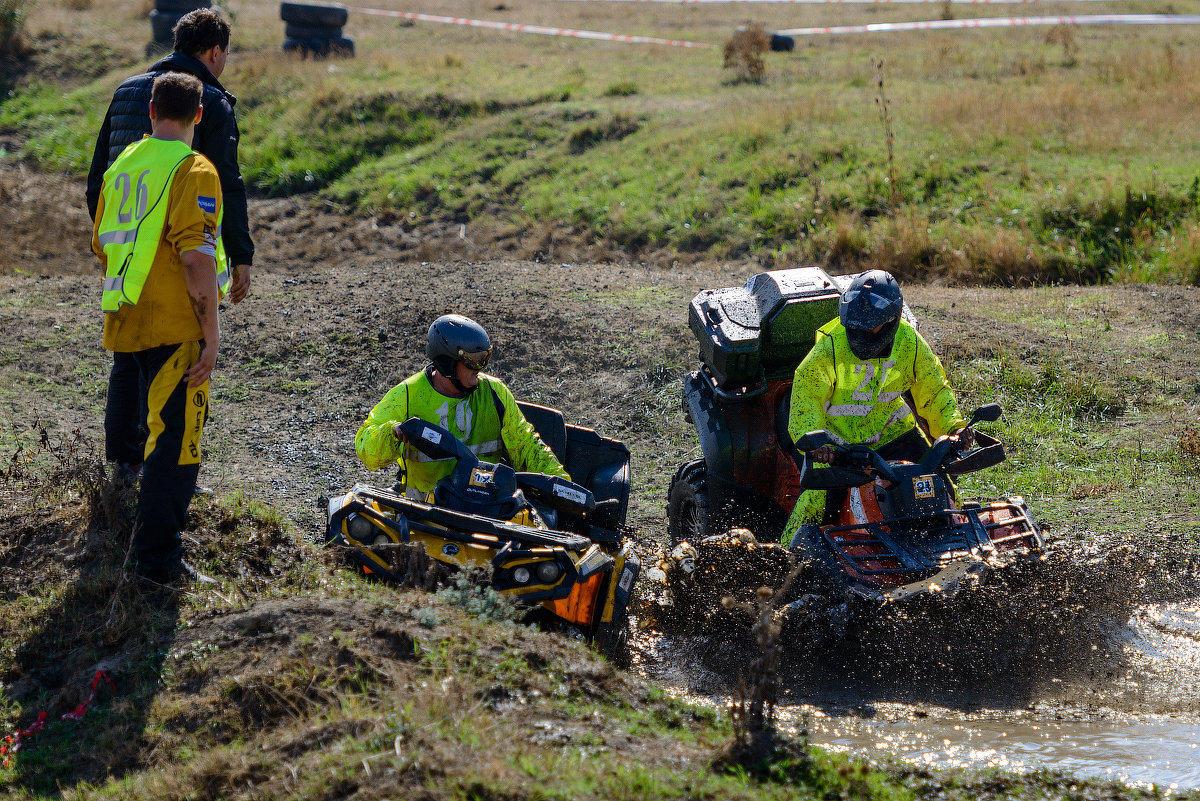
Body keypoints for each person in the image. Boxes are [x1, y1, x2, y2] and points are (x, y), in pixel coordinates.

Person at [86, 8, 251, 477]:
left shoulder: (125, 90)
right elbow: (227, 185)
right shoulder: (210, 102)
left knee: (127, 360)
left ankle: (123, 465)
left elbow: (98, 177)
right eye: (224, 57)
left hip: (122, 257)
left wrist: (110, 246)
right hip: (178, 255)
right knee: (175, 364)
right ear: (214, 51)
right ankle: (167, 471)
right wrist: (241, 255)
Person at [93, 72, 222, 585]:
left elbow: (102, 243)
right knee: (176, 445)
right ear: (199, 115)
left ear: (149, 111)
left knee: (139, 435)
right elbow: (196, 259)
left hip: (125, 314)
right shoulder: (193, 168)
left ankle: (122, 507)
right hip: (174, 326)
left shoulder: (122, 165)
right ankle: (158, 563)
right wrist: (211, 333)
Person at [782, 270, 971, 547]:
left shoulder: (910, 343)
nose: (858, 335)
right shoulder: (828, 350)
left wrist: (954, 429)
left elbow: (934, 392)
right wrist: (815, 442)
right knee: (816, 500)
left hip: (894, 433)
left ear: (891, 321)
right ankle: (784, 559)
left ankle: (956, 548)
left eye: (868, 329)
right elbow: (805, 399)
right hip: (841, 445)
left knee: (940, 487)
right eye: (853, 328)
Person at [356, 315, 570, 498]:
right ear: (447, 362)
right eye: (474, 360)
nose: (481, 368)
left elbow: (526, 446)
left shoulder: (495, 392)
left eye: (485, 358)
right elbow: (367, 450)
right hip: (423, 515)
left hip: (484, 510)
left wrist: (562, 486)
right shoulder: (406, 395)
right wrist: (391, 433)